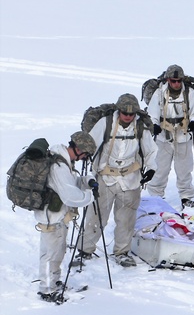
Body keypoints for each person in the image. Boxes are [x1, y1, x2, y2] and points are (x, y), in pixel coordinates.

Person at [77, 93, 157, 268]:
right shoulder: (105, 123)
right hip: (105, 177)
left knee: (126, 219)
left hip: (131, 178)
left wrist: (151, 169)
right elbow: (91, 144)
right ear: (118, 111)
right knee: (96, 216)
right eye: (124, 113)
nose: (128, 117)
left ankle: (122, 252)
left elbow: (151, 150)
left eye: (131, 114)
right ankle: (84, 251)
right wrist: (85, 158)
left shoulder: (141, 127)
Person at [33, 132, 97, 302]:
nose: (84, 158)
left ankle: (54, 282)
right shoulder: (59, 166)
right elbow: (70, 196)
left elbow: (71, 183)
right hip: (51, 217)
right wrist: (89, 196)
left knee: (58, 252)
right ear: (78, 149)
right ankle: (46, 290)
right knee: (49, 255)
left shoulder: (63, 161)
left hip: (57, 215)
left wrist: (86, 181)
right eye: (85, 155)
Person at [145, 64, 194, 209]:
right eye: (173, 81)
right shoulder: (160, 93)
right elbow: (152, 113)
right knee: (159, 168)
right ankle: (155, 196)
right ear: (168, 80)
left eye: (179, 81)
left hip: (183, 135)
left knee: (184, 169)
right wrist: (154, 125)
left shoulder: (189, 93)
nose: (177, 84)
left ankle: (186, 197)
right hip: (163, 136)